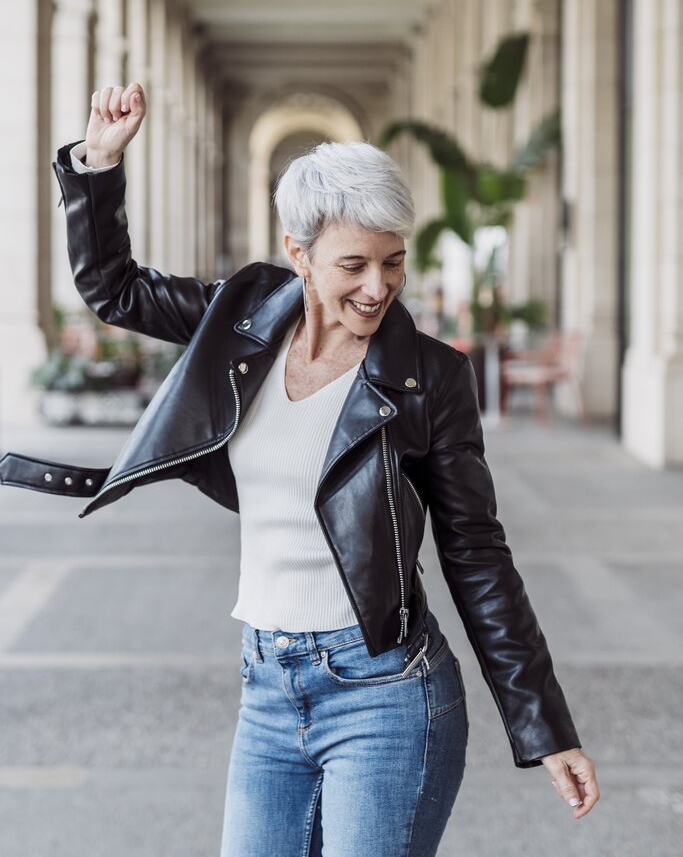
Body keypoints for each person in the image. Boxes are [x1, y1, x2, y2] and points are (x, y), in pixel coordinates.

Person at [0, 82, 599, 856]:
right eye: (352, 263)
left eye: (393, 262)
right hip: (266, 687)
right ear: (298, 253)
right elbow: (113, 290)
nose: (377, 286)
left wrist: (544, 726)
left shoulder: (430, 377)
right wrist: (100, 165)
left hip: (385, 694)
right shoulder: (240, 314)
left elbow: (476, 554)